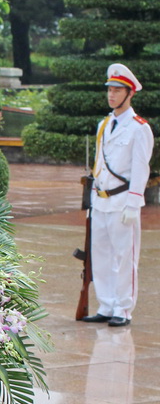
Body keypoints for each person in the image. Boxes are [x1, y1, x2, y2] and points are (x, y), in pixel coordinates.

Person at [80, 63, 154, 328]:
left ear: (129, 93)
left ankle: (123, 308)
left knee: (124, 257)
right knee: (100, 255)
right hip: (100, 200)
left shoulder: (139, 128)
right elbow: (99, 165)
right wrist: (91, 200)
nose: (111, 95)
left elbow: (140, 167)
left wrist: (134, 203)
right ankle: (106, 304)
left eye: (117, 90)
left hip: (123, 201)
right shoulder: (104, 124)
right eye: (109, 89)